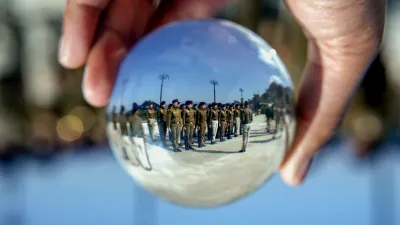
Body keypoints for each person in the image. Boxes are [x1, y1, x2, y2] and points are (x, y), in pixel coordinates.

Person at [58, 0, 385, 186]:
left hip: (206, 123)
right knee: (201, 130)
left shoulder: (200, 106)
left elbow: (210, 114)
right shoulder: (172, 110)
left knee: (212, 128)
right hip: (190, 126)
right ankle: (190, 141)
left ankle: (196, 139)